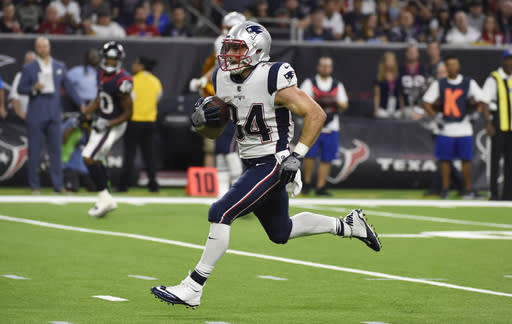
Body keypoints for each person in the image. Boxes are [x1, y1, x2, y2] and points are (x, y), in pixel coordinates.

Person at [151, 21, 381, 308]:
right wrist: (203, 123)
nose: (230, 55)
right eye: (229, 48)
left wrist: (297, 155)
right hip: (251, 162)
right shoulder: (222, 78)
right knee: (280, 231)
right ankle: (347, 225)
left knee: (220, 212)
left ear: (257, 51)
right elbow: (217, 129)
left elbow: (316, 114)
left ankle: (193, 286)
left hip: (274, 162)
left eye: (237, 49)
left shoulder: (272, 76)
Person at [18, 37, 85, 194]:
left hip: (54, 114)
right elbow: (21, 88)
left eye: (45, 46)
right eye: (39, 47)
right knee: (34, 151)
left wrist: (81, 103)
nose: (42, 49)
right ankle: (35, 186)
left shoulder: (59, 66)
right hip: (35, 114)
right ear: (36, 48)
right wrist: (33, 88)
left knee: (56, 151)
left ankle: (58, 185)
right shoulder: (29, 68)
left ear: (49, 47)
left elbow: (69, 86)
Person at [422, 55, 486, 199]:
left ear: (458, 66)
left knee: (466, 159)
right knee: (445, 159)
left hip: (464, 126)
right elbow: (426, 101)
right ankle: (445, 189)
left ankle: (467, 190)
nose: (452, 68)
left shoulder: (468, 82)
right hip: (446, 127)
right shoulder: (440, 83)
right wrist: (435, 116)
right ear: (446, 67)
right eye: (449, 65)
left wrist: (476, 113)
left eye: (454, 64)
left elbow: (482, 99)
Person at [81, 41, 133, 217]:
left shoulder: (123, 81)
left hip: (114, 124)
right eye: (108, 60)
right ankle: (105, 197)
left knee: (88, 156)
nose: (110, 63)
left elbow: (128, 113)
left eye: (113, 60)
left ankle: (105, 197)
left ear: (119, 60)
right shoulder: (100, 73)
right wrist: (86, 113)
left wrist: (108, 124)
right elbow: (99, 97)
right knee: (98, 159)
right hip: (103, 120)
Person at [300, 56, 348, 196]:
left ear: (331, 68)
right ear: (318, 67)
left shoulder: (337, 85)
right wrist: (318, 100)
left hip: (331, 124)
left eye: (328, 66)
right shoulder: (310, 83)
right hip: (313, 124)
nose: (325, 68)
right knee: (309, 155)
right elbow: (302, 102)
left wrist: (332, 101)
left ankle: (321, 186)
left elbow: (344, 104)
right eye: (323, 65)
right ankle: (307, 183)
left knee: (327, 158)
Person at [117, 56, 161, 193]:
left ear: (141, 66)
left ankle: (124, 185)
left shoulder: (132, 81)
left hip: (134, 121)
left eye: (135, 63)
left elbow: (127, 100)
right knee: (149, 155)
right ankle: (153, 184)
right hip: (150, 122)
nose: (133, 65)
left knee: (129, 154)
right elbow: (157, 99)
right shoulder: (156, 82)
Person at [481, 49, 512, 200]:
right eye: (508, 59)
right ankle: (493, 192)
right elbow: (485, 101)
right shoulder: (494, 78)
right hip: (499, 125)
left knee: (510, 162)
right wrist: (488, 123)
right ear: (503, 61)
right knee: (495, 161)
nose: (510, 63)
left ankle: (508, 194)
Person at [398, 44, 427, 120]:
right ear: (406, 54)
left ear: (418, 54)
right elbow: (399, 92)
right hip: (407, 106)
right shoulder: (401, 69)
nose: (412, 54)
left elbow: (427, 90)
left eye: (414, 52)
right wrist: (402, 108)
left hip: (421, 105)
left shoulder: (423, 69)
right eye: (410, 52)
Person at [9, 51, 36, 121]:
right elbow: (14, 97)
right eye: (28, 61)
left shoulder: (41, 77)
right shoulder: (19, 76)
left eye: (32, 61)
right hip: (23, 118)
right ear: (24, 63)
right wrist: (20, 114)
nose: (30, 63)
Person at [373, 51, 400, 118]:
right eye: (388, 60)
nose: (390, 62)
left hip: (396, 109)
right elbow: (377, 96)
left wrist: (402, 110)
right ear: (384, 62)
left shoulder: (398, 78)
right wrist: (376, 110)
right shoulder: (379, 79)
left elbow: (400, 95)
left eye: (392, 60)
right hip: (383, 109)